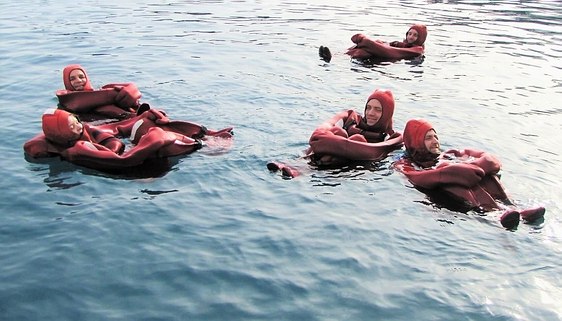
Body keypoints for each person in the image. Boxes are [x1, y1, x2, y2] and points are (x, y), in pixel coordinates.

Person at [393, 118, 545, 229]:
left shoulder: (449, 154)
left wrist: (476, 167)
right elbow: (415, 177)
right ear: (416, 141)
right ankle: (495, 215)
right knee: (454, 178)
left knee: (487, 176)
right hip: (446, 198)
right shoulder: (405, 163)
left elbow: (491, 160)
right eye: (428, 138)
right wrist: (456, 172)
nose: (435, 141)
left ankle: (513, 206)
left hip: (474, 187)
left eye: (436, 136)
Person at [24, 108, 233, 172]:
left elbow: (113, 135)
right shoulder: (77, 149)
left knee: (146, 125)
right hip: (137, 163)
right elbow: (123, 161)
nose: (79, 126)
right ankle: (203, 146)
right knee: (158, 138)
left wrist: (143, 120)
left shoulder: (84, 132)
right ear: (61, 134)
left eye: (76, 121)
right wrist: (154, 139)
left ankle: (205, 134)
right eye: (72, 127)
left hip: (129, 152)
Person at [55, 64, 143, 120]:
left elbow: (133, 90)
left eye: (81, 77)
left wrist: (127, 93)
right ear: (66, 81)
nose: (78, 81)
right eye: (72, 79)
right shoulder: (67, 100)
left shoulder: (101, 92)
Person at [319, 24, 427, 62]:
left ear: (421, 38)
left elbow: (394, 52)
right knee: (362, 52)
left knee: (366, 49)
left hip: (388, 59)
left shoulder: (418, 50)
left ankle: (363, 41)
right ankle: (334, 56)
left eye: (415, 35)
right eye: (409, 33)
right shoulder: (401, 43)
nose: (411, 37)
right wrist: (379, 43)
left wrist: (367, 42)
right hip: (379, 56)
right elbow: (390, 44)